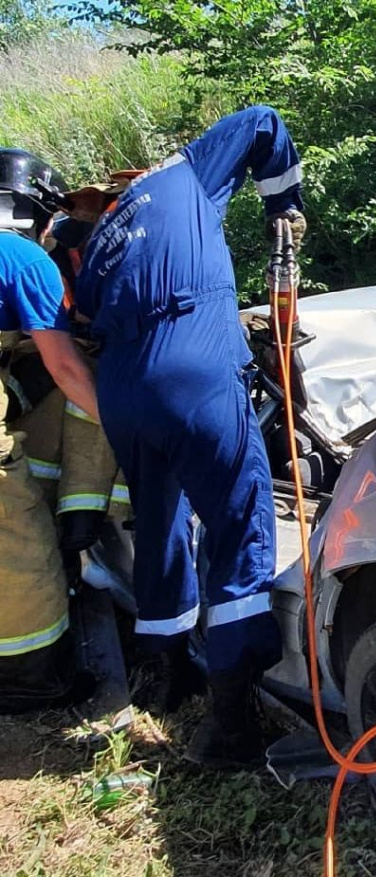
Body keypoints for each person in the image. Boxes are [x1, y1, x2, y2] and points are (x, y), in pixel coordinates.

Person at [69, 106, 307, 768]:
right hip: (192, 364)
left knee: (161, 522)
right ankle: (230, 726)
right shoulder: (182, 173)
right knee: (237, 531)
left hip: (122, 386)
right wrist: (282, 208)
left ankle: (166, 673)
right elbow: (263, 122)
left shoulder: (103, 241)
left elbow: (88, 315)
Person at [0, 148, 100, 711]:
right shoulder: (19, 256)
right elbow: (65, 367)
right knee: (20, 549)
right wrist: (128, 427)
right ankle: (28, 682)